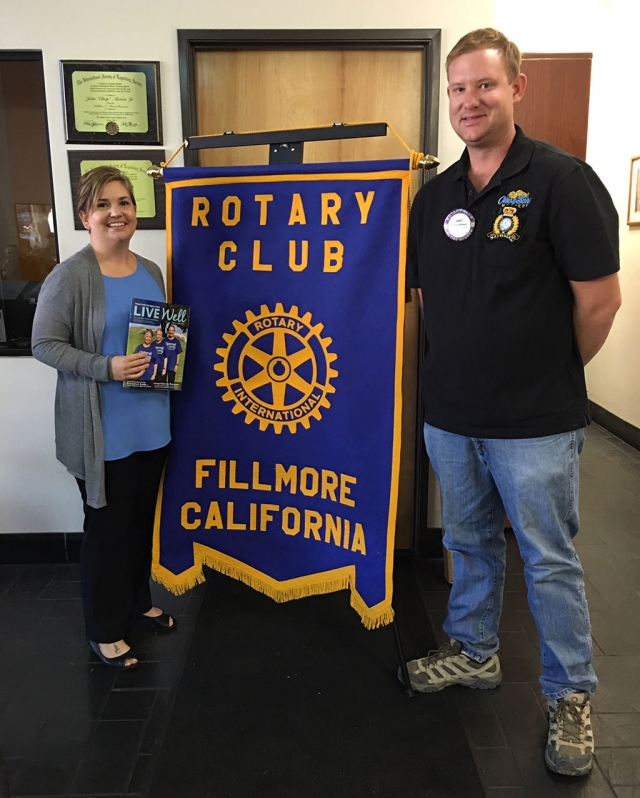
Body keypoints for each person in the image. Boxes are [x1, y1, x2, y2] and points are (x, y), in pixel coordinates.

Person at [403, 28, 621, 778]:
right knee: (466, 543)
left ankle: (570, 696)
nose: (469, 101)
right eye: (458, 88)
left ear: (516, 88)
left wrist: (550, 374)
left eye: (485, 86)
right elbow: (428, 300)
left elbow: (599, 302)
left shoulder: (563, 182)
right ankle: (473, 652)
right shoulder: (432, 199)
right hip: (451, 417)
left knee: (548, 561)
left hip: (535, 423)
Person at [32, 166, 177, 671]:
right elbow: (43, 344)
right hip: (103, 431)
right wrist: (105, 367)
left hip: (152, 423)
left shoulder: (150, 269)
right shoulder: (70, 275)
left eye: (125, 202)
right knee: (108, 531)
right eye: (103, 205)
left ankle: (138, 605)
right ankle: (104, 628)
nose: (116, 212)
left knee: (140, 526)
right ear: (84, 215)